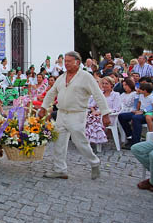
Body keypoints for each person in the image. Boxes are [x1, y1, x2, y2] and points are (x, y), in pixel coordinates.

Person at [39, 51, 110, 180]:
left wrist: (105, 113)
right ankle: (60, 169)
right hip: (61, 113)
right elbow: (51, 92)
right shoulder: (61, 77)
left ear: (77, 62)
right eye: (65, 61)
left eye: (69, 61)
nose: (66, 64)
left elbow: (98, 94)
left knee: (80, 141)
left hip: (77, 114)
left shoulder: (85, 77)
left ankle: (95, 162)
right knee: (58, 141)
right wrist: (44, 107)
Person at [119, 82, 153, 148]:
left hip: (147, 114)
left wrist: (146, 113)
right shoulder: (141, 96)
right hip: (139, 112)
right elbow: (139, 104)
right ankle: (130, 135)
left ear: (145, 91)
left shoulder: (152, 98)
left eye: (140, 89)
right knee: (122, 116)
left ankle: (135, 141)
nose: (138, 89)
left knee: (136, 118)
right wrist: (137, 111)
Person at [85, 76, 121, 145]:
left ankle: (94, 140)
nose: (104, 85)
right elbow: (92, 105)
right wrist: (93, 111)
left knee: (93, 120)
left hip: (109, 116)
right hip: (97, 114)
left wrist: (101, 112)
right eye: (103, 83)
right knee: (86, 118)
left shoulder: (115, 95)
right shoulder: (100, 94)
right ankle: (88, 139)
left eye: (106, 84)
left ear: (111, 85)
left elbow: (116, 109)